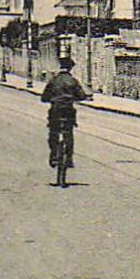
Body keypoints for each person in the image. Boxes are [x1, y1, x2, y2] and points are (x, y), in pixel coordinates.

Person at [41, 55, 89, 185]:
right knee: (69, 133)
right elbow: (81, 95)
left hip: (55, 110)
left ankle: (54, 155)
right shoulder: (73, 81)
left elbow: (44, 97)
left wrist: (49, 99)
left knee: (53, 132)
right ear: (70, 68)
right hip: (68, 110)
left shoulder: (53, 81)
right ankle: (69, 158)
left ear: (60, 67)